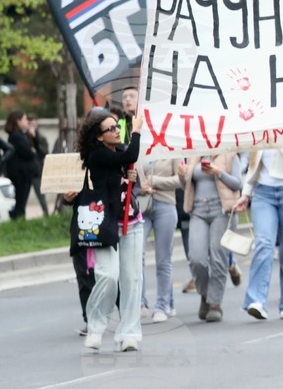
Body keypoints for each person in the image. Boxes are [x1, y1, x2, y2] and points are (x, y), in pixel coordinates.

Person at [75, 110, 144, 352]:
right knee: (108, 276)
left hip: (131, 221)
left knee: (132, 280)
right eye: (111, 129)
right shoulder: (97, 156)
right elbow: (131, 154)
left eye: (117, 127)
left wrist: (130, 177)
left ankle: (129, 333)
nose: (117, 131)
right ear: (99, 137)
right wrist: (136, 130)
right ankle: (95, 326)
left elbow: (131, 171)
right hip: (105, 225)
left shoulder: (120, 154)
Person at [236, 149, 283, 321]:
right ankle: (257, 300)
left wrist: (278, 138)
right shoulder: (262, 128)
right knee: (264, 244)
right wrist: (246, 193)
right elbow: (254, 164)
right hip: (263, 193)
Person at [187, 153, 242, 322]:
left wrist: (218, 172)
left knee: (218, 258)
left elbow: (238, 183)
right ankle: (205, 294)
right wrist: (183, 176)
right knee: (196, 258)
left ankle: (215, 304)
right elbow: (187, 186)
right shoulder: (194, 155)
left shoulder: (230, 155)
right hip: (198, 210)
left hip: (221, 210)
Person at [139, 157, 186, 323]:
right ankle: (140, 302)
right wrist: (140, 185)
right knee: (137, 255)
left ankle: (162, 305)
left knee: (163, 259)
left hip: (165, 205)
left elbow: (180, 180)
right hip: (141, 206)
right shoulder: (140, 145)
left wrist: (153, 180)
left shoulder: (171, 149)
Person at [4, 111, 37, 220]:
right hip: (21, 175)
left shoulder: (22, 135)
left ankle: (19, 221)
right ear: (18, 121)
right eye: (24, 119)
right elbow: (28, 153)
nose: (27, 122)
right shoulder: (15, 137)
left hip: (25, 174)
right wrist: (32, 151)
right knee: (20, 202)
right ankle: (18, 221)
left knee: (22, 202)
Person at [26, 114, 49, 216]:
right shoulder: (23, 137)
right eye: (29, 123)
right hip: (26, 170)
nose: (31, 126)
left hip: (37, 170)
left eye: (33, 123)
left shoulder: (41, 137)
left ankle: (46, 214)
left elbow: (44, 153)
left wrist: (35, 139)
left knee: (41, 195)